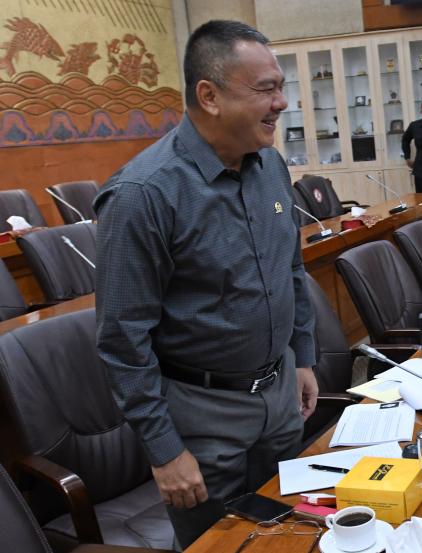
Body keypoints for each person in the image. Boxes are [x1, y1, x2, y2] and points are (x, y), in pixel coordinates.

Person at [94, 20, 318, 548]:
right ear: (209, 96)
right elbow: (122, 339)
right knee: (216, 543)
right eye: (265, 89)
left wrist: (302, 355)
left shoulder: (270, 167)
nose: (281, 102)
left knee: (287, 535)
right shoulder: (142, 194)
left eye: (280, 87)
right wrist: (164, 450)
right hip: (203, 413)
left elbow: (291, 268)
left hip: (280, 394)